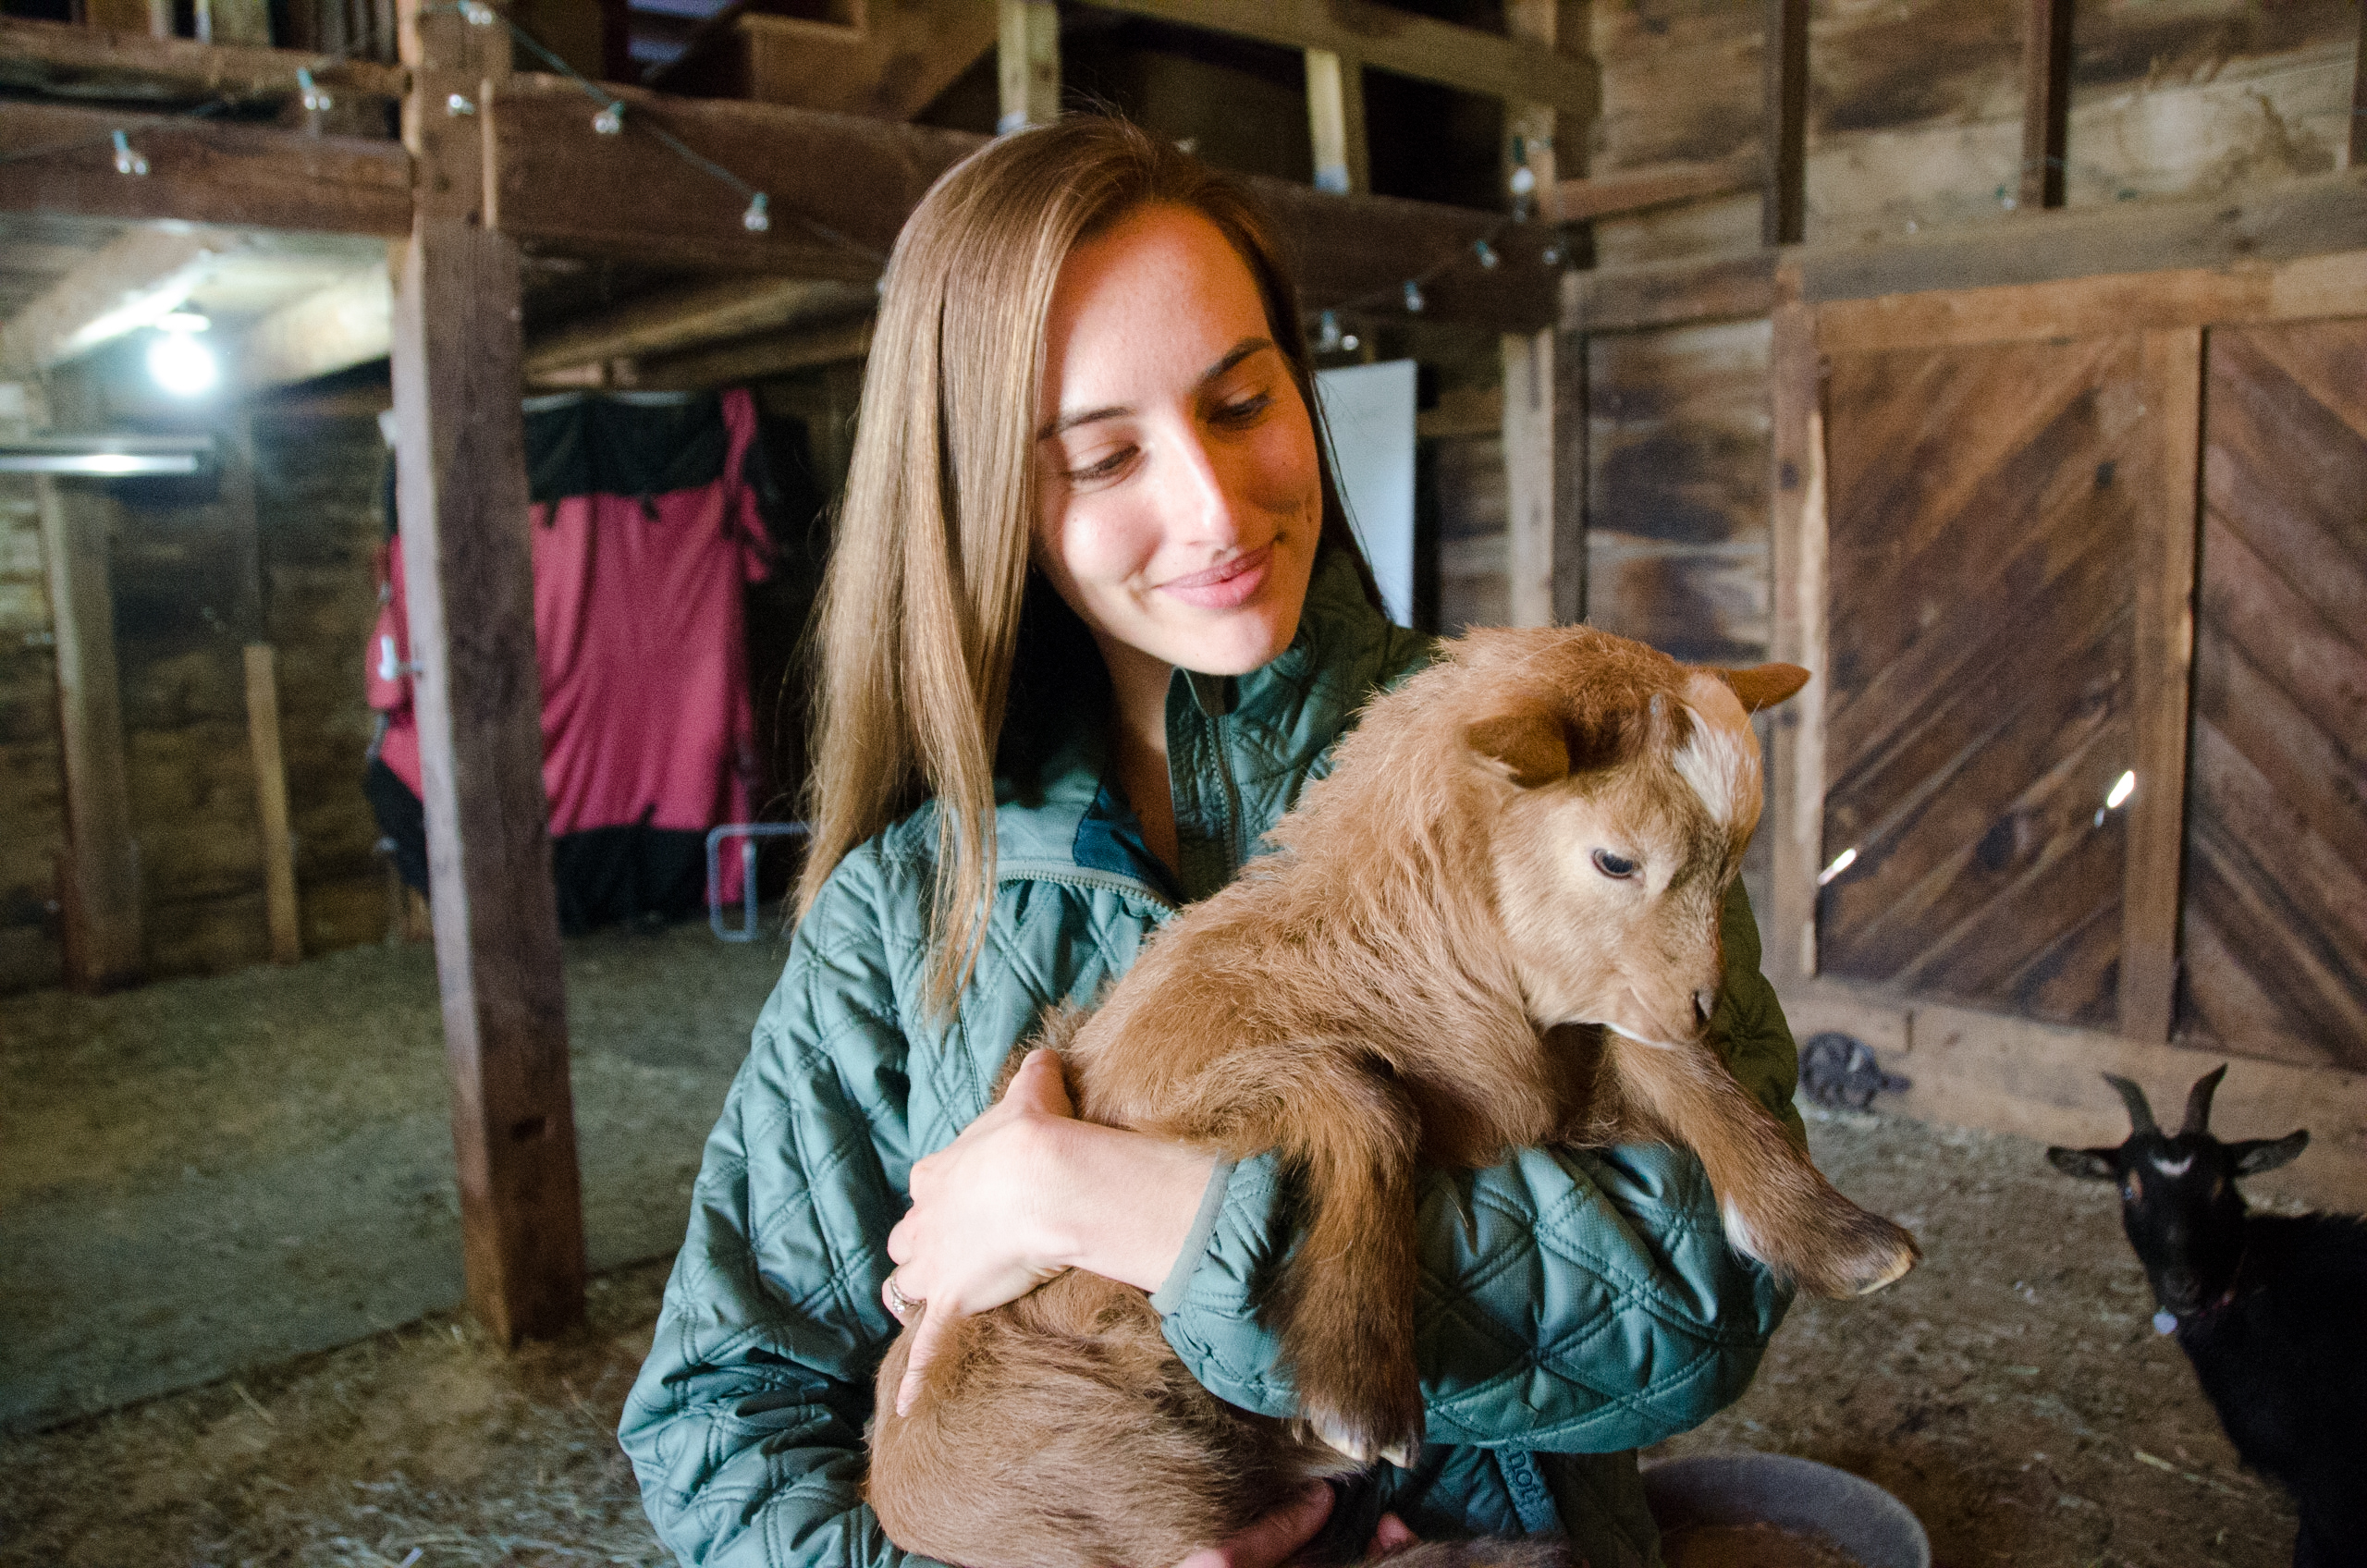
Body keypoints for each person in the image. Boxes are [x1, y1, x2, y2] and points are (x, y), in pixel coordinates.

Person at [618, 115, 1804, 1568]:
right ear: (988, 495)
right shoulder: (904, 911)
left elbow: (1704, 1297)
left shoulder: (1555, 776)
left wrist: (1136, 1207)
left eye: (1242, 404)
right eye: (1105, 457)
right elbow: (720, 1413)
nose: (1214, 507)